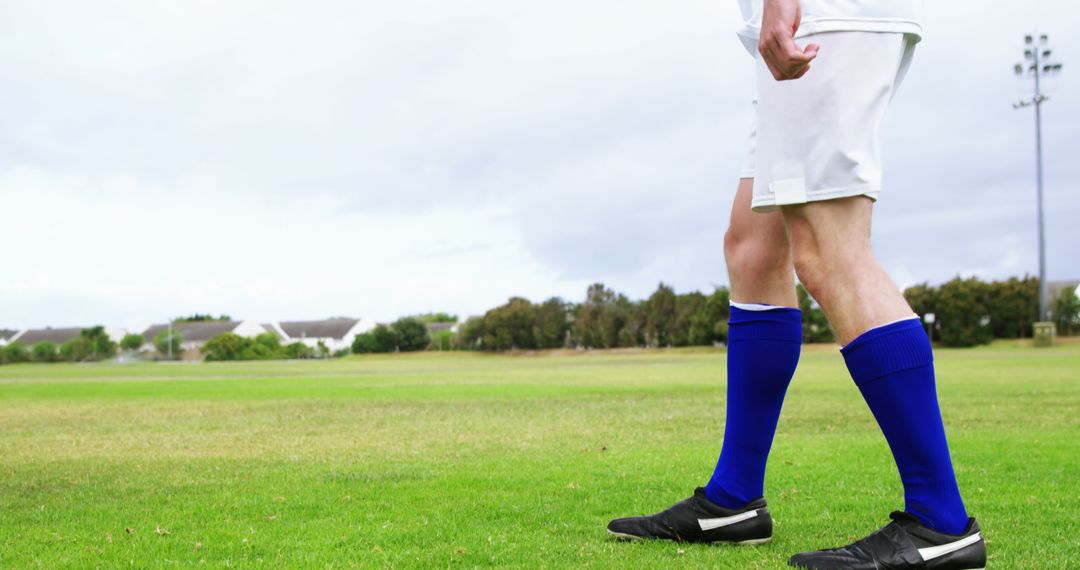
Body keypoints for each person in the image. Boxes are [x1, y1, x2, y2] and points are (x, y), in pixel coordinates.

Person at [606, 1, 987, 568]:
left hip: (820, 20)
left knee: (832, 252)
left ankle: (940, 521)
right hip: (806, 24)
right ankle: (734, 500)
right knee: (753, 248)